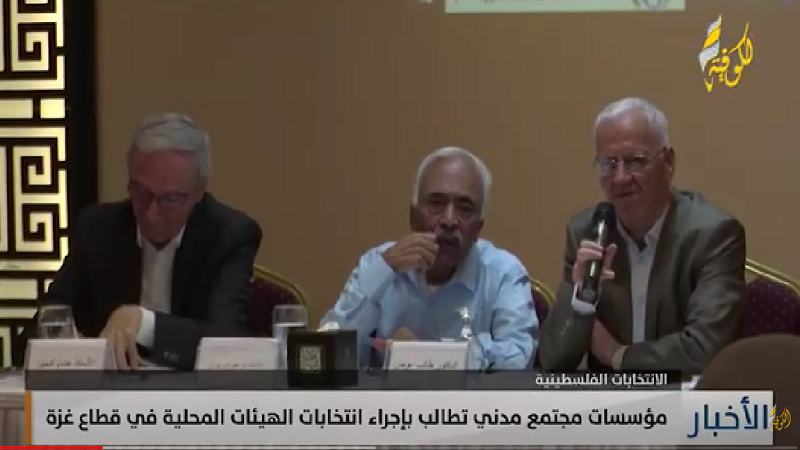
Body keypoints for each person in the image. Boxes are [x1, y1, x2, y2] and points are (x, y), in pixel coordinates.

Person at [16, 113, 262, 370]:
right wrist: (70, 346)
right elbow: (39, 330)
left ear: (199, 191)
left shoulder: (228, 234)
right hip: (108, 391)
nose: (151, 213)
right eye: (141, 193)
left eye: (170, 199)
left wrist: (145, 323)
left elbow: (225, 342)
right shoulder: (97, 229)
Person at [539, 97, 745, 374]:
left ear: (668, 162)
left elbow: (704, 350)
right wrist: (581, 299)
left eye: (635, 161)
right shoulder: (587, 232)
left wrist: (618, 355)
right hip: (608, 400)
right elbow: (553, 361)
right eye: (609, 163)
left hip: (681, 397)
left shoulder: (713, 234)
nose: (621, 178)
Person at [320, 147, 537, 370]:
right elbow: (327, 352)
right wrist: (383, 271)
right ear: (413, 217)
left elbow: (520, 355)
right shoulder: (379, 264)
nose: (449, 221)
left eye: (464, 208)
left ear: (478, 227)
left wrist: (432, 355)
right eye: (436, 204)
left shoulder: (503, 273)